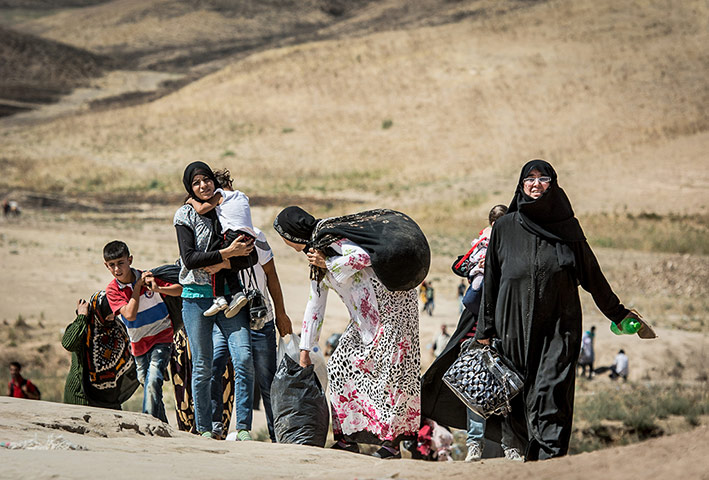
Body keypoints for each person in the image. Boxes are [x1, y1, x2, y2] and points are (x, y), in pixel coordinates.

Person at [475, 159, 647, 461]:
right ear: (521, 185)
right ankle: (522, 459)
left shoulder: (568, 229)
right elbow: (491, 281)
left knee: (550, 393)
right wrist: (484, 331)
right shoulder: (504, 228)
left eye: (544, 179)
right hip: (512, 327)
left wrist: (618, 313)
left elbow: (592, 275)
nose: (536, 184)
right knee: (516, 397)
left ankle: (549, 463)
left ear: (553, 185)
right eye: (530, 178)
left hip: (558, 327)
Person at [273, 206, 422, 459]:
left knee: (390, 377)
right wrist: (305, 349)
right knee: (340, 363)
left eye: (283, 235)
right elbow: (315, 303)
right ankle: (347, 437)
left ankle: (391, 444)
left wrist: (328, 262)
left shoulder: (332, 241)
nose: (284, 241)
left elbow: (364, 257)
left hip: (392, 311)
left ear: (293, 234)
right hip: (364, 318)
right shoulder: (315, 255)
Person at [174, 161, 256, 439]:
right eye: (196, 183)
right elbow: (190, 258)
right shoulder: (184, 215)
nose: (203, 186)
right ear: (190, 187)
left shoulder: (226, 210)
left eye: (206, 179)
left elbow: (250, 254)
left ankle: (243, 428)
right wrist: (226, 254)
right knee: (202, 365)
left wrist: (225, 262)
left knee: (244, 357)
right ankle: (205, 429)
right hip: (196, 298)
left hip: (231, 297)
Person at [421, 204, 508, 463]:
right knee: (476, 390)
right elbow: (459, 265)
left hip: (507, 331)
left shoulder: (517, 248)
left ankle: (511, 442)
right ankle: (474, 444)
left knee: (510, 393)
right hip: (476, 332)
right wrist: (480, 264)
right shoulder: (483, 245)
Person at [210, 226, 293, 441]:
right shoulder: (215, 236)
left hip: (260, 318)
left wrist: (281, 314)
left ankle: (277, 436)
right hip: (227, 316)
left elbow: (271, 274)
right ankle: (215, 426)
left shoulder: (257, 236)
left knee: (267, 380)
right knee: (215, 365)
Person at [104, 240, 182, 422]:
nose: (117, 269)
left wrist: (158, 288)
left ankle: (147, 422)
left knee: (153, 381)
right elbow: (130, 314)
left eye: (120, 263)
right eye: (112, 265)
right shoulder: (112, 290)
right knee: (148, 384)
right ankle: (162, 426)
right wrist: (137, 287)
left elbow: (180, 290)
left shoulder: (148, 277)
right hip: (138, 345)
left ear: (130, 260)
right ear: (106, 266)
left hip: (162, 336)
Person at [185, 168, 256, 318]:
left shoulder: (219, 195)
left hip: (232, 234)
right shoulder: (242, 196)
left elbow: (201, 209)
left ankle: (219, 298)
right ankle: (237, 294)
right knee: (226, 262)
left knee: (216, 260)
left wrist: (191, 200)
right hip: (249, 235)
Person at [61, 291, 139, 408]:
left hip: (110, 399)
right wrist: (81, 317)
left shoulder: (117, 328)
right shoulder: (84, 327)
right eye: (109, 312)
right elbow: (68, 343)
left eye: (115, 311)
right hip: (82, 397)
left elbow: (130, 351)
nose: (112, 316)